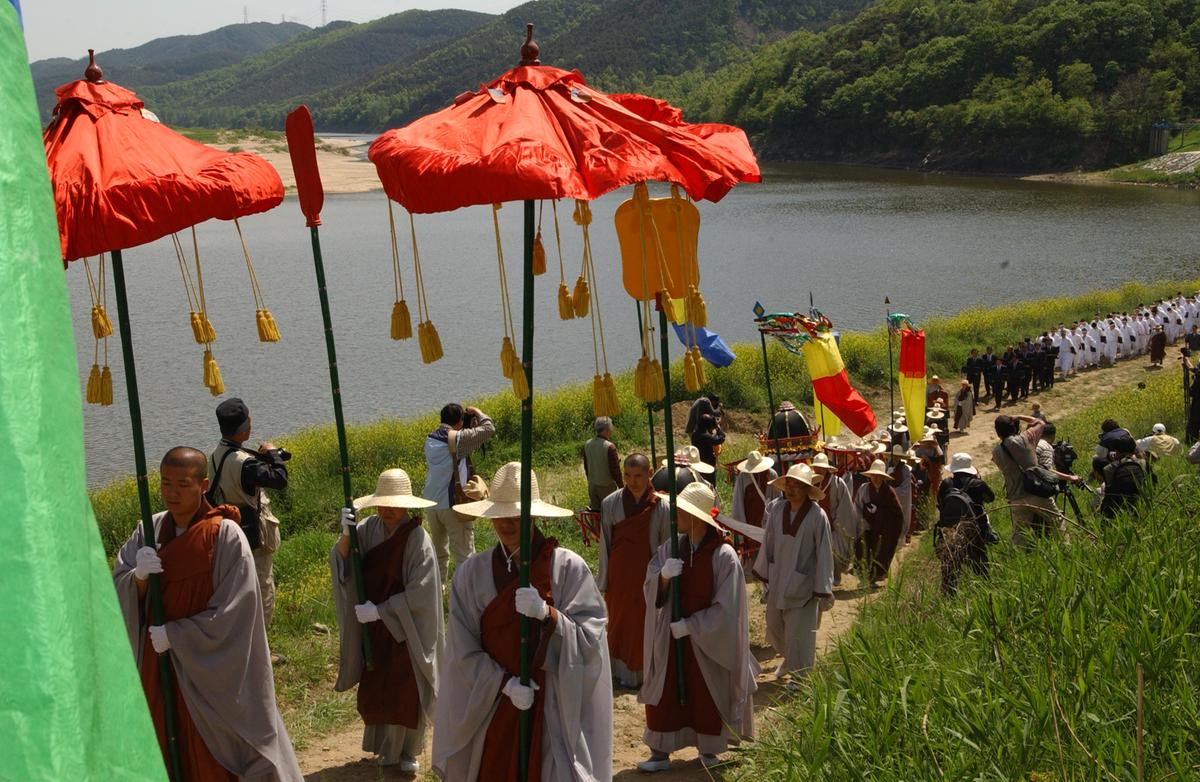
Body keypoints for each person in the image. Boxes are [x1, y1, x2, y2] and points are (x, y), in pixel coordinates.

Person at [112, 447, 302, 781]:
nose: (172, 492)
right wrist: (137, 579)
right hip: (159, 667)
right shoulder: (149, 530)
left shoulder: (225, 536)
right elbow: (116, 588)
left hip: (207, 674)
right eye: (165, 483)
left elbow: (236, 613)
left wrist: (177, 634)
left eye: (182, 484)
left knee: (210, 753)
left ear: (202, 485)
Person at [433, 462, 611, 781]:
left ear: (535, 515)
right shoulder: (471, 574)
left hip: (553, 700)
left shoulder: (568, 568)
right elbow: (462, 650)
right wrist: (504, 684)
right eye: (499, 514)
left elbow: (590, 638)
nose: (507, 522)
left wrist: (549, 616)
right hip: (494, 704)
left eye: (517, 514)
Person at [638, 482, 757, 772]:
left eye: (682, 511)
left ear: (698, 516)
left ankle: (709, 749)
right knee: (666, 691)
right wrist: (663, 578)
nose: (675, 515)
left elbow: (728, 610)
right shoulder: (671, 547)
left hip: (706, 642)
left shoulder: (723, 555)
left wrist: (691, 625)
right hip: (671, 636)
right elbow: (650, 581)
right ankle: (661, 751)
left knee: (705, 691)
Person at [330, 469, 441, 772]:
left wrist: (382, 611)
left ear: (407, 504)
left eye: (394, 503)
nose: (388, 509)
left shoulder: (418, 539)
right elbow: (343, 565)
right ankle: (383, 749)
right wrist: (344, 534)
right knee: (379, 686)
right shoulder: (365, 530)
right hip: (374, 629)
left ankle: (407, 752)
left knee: (404, 688)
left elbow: (422, 593)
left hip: (405, 629)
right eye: (383, 502)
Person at [208, 397, 288, 626]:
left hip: (229, 533)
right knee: (262, 588)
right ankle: (260, 651)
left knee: (236, 590)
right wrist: (273, 454)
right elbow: (280, 480)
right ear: (244, 428)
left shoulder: (216, 455)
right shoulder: (246, 463)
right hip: (254, 536)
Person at [753, 464, 834, 676]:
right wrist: (764, 575)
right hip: (779, 580)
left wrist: (822, 588)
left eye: (797, 485)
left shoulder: (818, 516)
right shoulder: (777, 510)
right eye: (789, 484)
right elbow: (768, 543)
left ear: (807, 489)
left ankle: (801, 680)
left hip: (803, 586)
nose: (791, 489)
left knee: (800, 635)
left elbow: (824, 552)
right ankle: (791, 659)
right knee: (775, 628)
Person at [598, 453, 671, 690]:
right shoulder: (610, 503)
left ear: (650, 474)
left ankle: (645, 672)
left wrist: (663, 580)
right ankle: (620, 673)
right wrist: (604, 580)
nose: (632, 481)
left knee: (645, 623)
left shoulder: (662, 505)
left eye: (638, 476)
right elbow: (605, 545)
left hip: (647, 575)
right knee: (619, 623)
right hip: (619, 575)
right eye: (627, 476)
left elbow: (665, 547)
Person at [421, 403, 495, 583]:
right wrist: (476, 411)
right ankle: (467, 595)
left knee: (439, 553)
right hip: (452, 504)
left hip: (431, 503)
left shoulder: (430, 438)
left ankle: (438, 592)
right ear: (460, 422)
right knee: (464, 555)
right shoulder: (458, 440)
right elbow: (489, 428)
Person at [991, 415, 1078, 549]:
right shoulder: (1026, 438)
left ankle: (1017, 559)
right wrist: (1018, 416)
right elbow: (1040, 423)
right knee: (1057, 522)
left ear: (997, 432)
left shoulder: (996, 452)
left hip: (1015, 496)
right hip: (1037, 490)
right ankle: (1067, 550)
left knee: (1019, 532)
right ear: (1014, 427)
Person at [935, 453, 996, 595]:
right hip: (974, 529)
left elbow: (940, 503)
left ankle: (949, 595)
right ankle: (986, 592)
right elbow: (991, 498)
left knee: (950, 566)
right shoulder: (978, 484)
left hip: (950, 530)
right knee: (980, 564)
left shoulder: (946, 483)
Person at [853, 459, 904, 586]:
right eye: (873, 475)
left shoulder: (889, 492)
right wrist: (863, 521)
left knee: (879, 551)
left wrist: (880, 511)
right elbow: (857, 507)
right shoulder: (864, 489)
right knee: (863, 550)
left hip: (883, 530)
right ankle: (864, 577)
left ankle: (874, 578)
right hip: (865, 526)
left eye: (878, 476)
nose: (875, 479)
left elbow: (897, 513)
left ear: (883, 478)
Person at [810, 453, 858, 585]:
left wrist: (834, 523)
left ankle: (835, 578)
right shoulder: (809, 483)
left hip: (834, 526)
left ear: (827, 468)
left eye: (821, 467)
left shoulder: (838, 483)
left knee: (833, 554)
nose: (819, 470)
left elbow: (845, 507)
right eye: (816, 467)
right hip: (813, 525)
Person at [1099, 435, 1148, 518]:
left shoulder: (1109, 469)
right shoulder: (1143, 463)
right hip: (1139, 504)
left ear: (1117, 451)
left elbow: (1109, 491)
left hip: (1116, 509)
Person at [730, 450, 780, 529]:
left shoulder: (772, 474)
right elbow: (738, 500)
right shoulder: (743, 476)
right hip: (751, 520)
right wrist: (740, 526)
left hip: (770, 521)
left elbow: (778, 499)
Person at [582, 416, 622, 511]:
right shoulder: (609, 447)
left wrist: (591, 481)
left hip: (592, 487)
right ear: (607, 429)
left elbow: (586, 466)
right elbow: (615, 470)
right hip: (607, 488)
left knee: (596, 515)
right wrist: (621, 487)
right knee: (610, 514)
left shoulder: (587, 444)